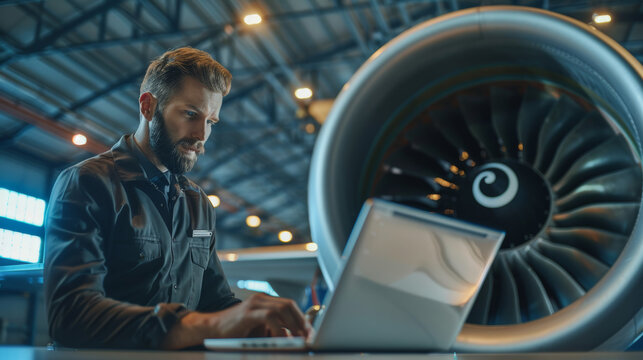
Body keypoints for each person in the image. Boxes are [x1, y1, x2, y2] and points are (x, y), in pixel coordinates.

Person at [44, 47, 311, 349]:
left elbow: (214, 301)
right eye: (190, 114)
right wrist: (207, 325)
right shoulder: (88, 184)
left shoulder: (198, 204)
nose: (201, 135)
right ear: (147, 107)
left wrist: (261, 326)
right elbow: (70, 314)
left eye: (211, 121)